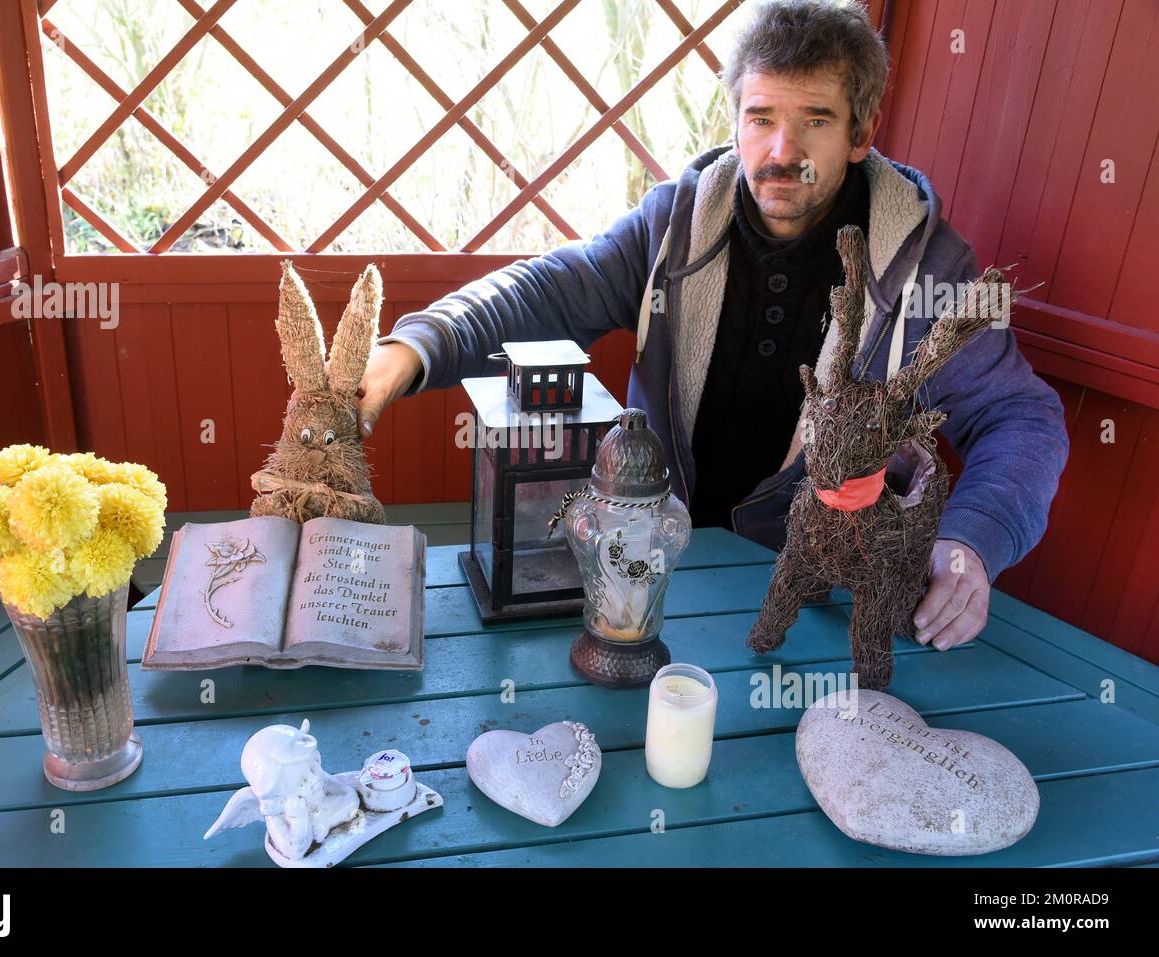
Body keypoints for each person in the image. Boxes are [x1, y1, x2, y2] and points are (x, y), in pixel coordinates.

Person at [346, 0, 1069, 654]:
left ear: (862, 131)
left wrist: (971, 541)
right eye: (760, 118)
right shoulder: (674, 223)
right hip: (653, 568)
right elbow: (553, 287)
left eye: (815, 119)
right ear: (735, 123)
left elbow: (1021, 415)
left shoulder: (928, 263)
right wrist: (415, 347)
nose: (781, 151)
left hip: (820, 602)